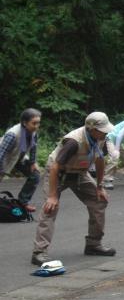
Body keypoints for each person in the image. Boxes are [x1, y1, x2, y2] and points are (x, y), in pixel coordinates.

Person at [30, 112, 117, 266]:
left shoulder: (101, 138)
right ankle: (39, 252)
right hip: (59, 172)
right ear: (91, 128)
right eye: (102, 130)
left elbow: (100, 161)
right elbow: (56, 166)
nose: (106, 132)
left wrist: (99, 186)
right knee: (50, 208)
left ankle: (93, 244)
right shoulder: (73, 141)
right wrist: (52, 195)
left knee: (99, 201)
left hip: (79, 172)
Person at [0, 108, 42, 212]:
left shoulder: (33, 132)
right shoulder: (12, 134)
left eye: (38, 123)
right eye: (34, 123)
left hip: (19, 157)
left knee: (35, 175)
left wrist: (32, 162)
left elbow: (33, 148)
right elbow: (1, 154)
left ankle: (23, 202)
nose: (37, 126)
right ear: (24, 123)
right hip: (5, 158)